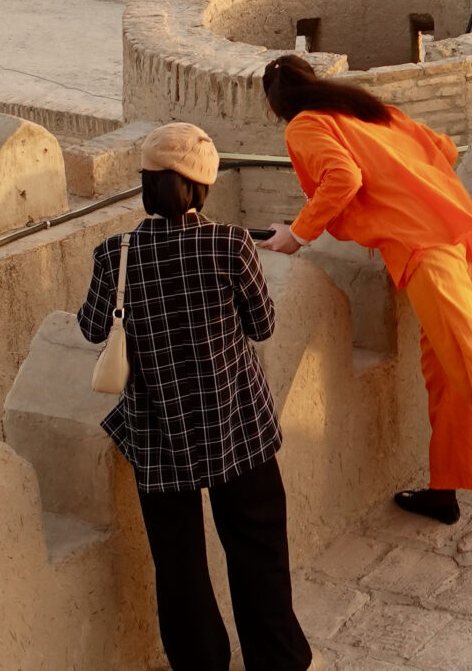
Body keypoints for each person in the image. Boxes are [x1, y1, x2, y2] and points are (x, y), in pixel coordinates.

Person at [258, 62, 472, 543]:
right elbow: (439, 147)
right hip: (455, 232)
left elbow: (341, 176)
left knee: (470, 359)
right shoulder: (370, 111)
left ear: (276, 107)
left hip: (424, 248)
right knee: (443, 366)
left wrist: (297, 234)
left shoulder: (306, 125)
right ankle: (447, 486)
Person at [77, 122, 311, 671]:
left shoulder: (117, 255)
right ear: (201, 186)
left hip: (159, 436)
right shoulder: (229, 244)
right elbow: (262, 324)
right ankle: (277, 660)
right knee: (259, 551)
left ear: (148, 185)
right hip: (237, 425)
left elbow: (92, 328)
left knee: (178, 565)